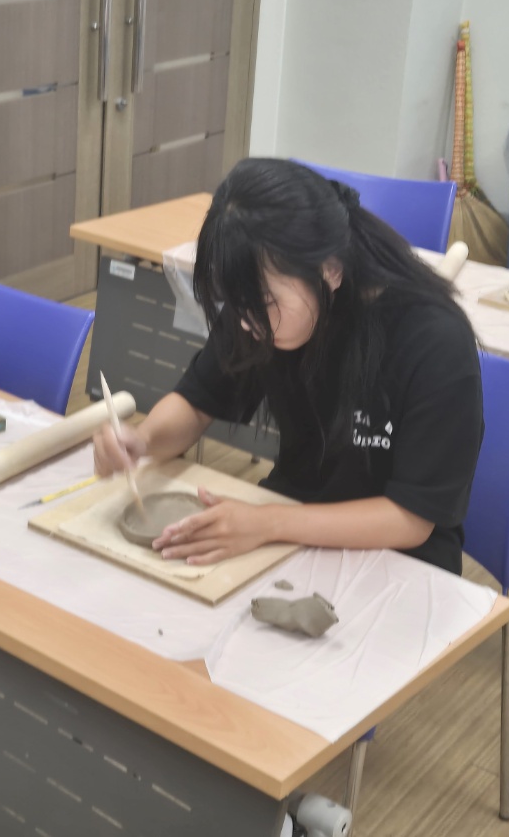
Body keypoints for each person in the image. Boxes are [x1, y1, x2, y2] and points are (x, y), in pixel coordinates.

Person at [92, 158, 483, 574]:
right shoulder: (261, 309)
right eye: (237, 304)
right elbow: (197, 401)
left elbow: (411, 519)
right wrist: (143, 440)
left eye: (264, 302)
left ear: (330, 269)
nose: (247, 324)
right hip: (290, 527)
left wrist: (268, 523)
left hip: (396, 560)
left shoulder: (433, 342)